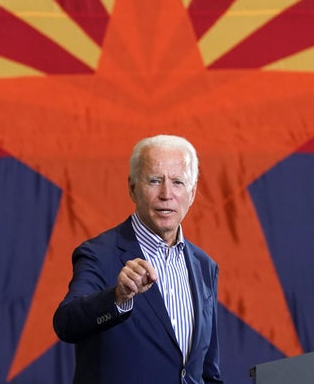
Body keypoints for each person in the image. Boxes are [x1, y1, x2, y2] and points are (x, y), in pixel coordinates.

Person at [53, 134, 223, 384]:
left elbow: (207, 372)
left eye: (178, 182)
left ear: (193, 192)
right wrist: (118, 297)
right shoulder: (99, 254)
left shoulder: (204, 265)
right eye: (155, 181)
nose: (167, 194)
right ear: (132, 188)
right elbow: (66, 323)